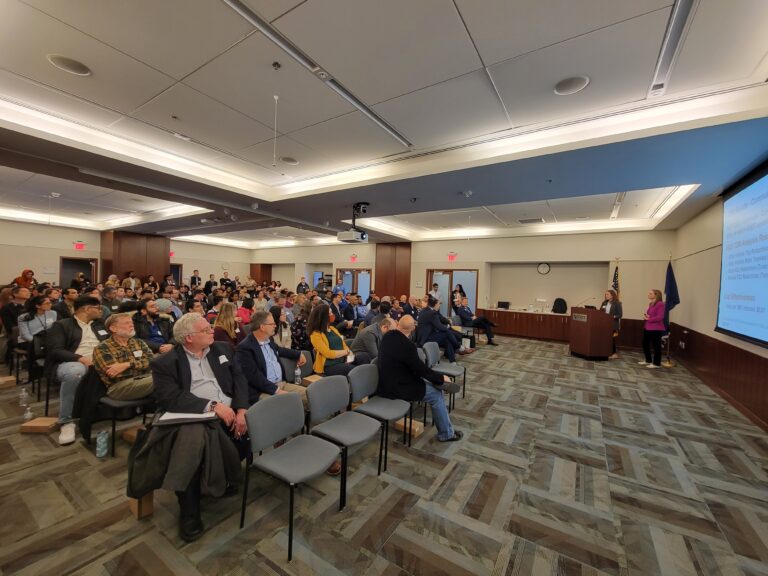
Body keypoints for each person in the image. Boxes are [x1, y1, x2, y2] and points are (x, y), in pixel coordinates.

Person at [150, 313, 248, 541]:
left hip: (231, 410)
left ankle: (224, 475)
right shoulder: (165, 363)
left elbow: (239, 378)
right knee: (191, 445)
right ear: (189, 338)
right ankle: (189, 509)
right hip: (192, 415)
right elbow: (169, 398)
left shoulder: (222, 349)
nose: (212, 330)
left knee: (255, 424)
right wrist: (212, 406)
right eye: (205, 329)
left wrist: (242, 408)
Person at [378, 315, 462, 442]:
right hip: (399, 387)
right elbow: (421, 370)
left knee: (432, 383)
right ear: (412, 329)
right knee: (436, 393)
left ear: (398, 324)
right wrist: (440, 378)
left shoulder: (387, 337)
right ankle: (446, 434)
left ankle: (439, 385)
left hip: (386, 383)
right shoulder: (408, 346)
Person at [46, 296, 110, 444]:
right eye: (98, 308)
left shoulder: (99, 324)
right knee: (75, 373)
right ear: (87, 309)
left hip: (99, 360)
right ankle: (67, 421)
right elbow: (55, 350)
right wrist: (80, 358)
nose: (101, 311)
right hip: (71, 362)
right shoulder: (62, 325)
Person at [235, 310, 308, 406]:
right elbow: (254, 377)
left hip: (282, 384)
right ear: (262, 327)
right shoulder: (245, 347)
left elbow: (280, 350)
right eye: (272, 324)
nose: (275, 326)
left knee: (311, 395)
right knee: (289, 404)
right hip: (263, 391)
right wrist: (276, 391)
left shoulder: (268, 340)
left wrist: (298, 354)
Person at [92, 313, 154, 400]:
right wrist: (142, 365)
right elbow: (115, 374)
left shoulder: (139, 342)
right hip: (119, 387)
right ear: (113, 328)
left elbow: (152, 362)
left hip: (144, 379)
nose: (131, 325)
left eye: (131, 323)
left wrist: (127, 365)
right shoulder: (102, 348)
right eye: (126, 323)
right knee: (161, 379)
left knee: (167, 376)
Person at [307, 304, 370, 376]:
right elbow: (328, 353)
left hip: (342, 359)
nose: (332, 315)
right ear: (323, 317)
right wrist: (346, 352)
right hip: (329, 365)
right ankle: (358, 383)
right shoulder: (315, 334)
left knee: (364, 356)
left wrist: (349, 356)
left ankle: (366, 380)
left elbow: (343, 345)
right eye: (330, 313)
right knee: (352, 370)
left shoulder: (333, 329)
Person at [417, 295, 472, 363]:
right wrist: (447, 327)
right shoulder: (432, 313)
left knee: (447, 340)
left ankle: (453, 361)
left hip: (425, 336)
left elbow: (438, 323)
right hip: (427, 338)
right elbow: (439, 326)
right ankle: (459, 347)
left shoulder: (425, 310)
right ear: (434, 305)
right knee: (447, 332)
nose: (439, 306)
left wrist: (447, 326)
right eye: (438, 304)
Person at [641, 289, 665, 368]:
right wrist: (647, 316)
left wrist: (649, 319)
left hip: (656, 328)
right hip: (647, 327)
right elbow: (651, 314)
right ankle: (648, 360)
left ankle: (656, 363)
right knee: (645, 344)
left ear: (656, 295)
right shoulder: (651, 303)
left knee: (656, 346)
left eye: (650, 293)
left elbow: (660, 317)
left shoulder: (660, 304)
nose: (648, 294)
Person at [600, 289, 623, 359]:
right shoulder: (604, 303)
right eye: (605, 294)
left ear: (612, 295)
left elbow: (620, 315)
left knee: (612, 339)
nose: (606, 296)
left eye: (607, 294)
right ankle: (605, 352)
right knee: (605, 338)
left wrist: (612, 317)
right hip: (605, 323)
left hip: (613, 324)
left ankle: (614, 353)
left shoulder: (617, 303)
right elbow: (600, 311)